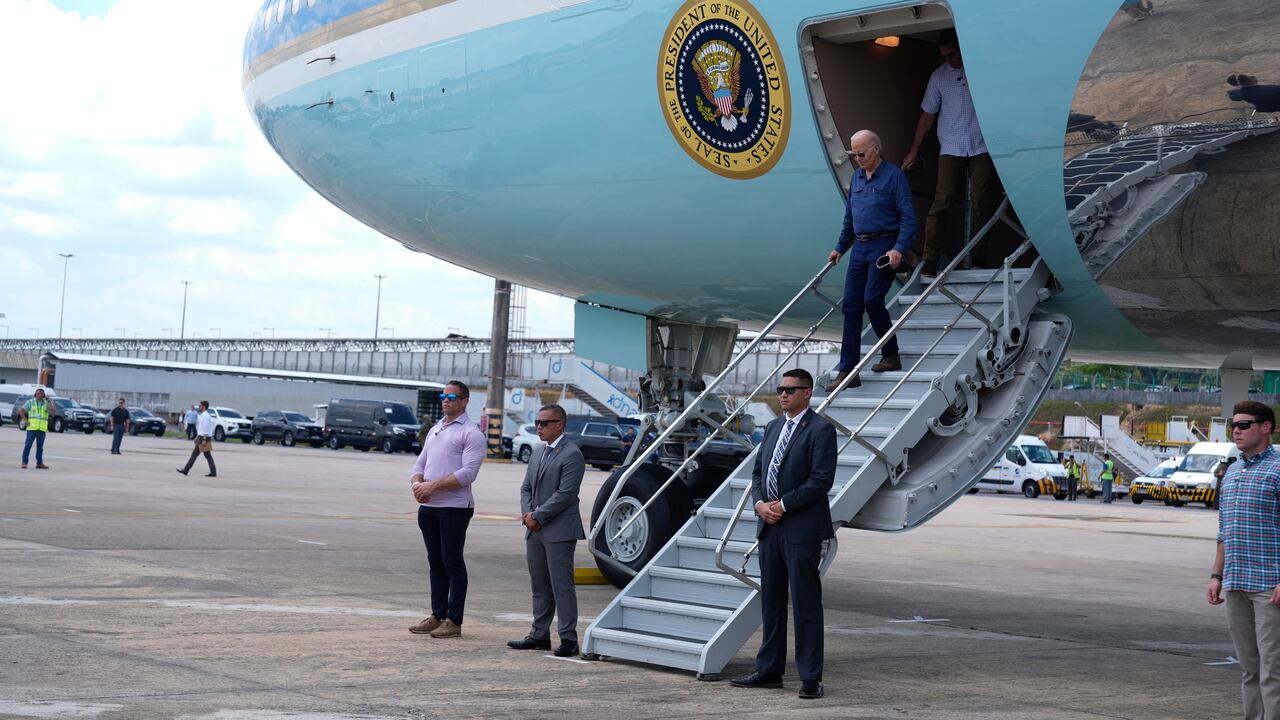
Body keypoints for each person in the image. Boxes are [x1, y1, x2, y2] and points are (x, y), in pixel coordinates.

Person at [731, 368, 837, 700]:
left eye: (791, 389)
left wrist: (783, 505)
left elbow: (821, 481)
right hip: (770, 527)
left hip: (801, 529)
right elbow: (760, 471)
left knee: (806, 604)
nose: (783, 394)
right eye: (781, 389)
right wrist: (761, 503)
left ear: (807, 393)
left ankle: (810, 677)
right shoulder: (774, 427)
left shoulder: (821, 430)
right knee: (772, 604)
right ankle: (769, 670)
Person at [902, 28, 1003, 278]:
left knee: (981, 202)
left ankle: (979, 260)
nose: (948, 61)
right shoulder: (938, 77)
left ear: (962, 49)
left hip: (982, 145)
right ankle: (930, 261)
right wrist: (913, 150)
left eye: (951, 56)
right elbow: (928, 115)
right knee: (942, 201)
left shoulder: (982, 71)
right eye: (943, 57)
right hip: (951, 146)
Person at [825, 129, 917, 393]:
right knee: (851, 307)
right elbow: (850, 217)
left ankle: (891, 354)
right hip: (860, 247)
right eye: (853, 154)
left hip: (884, 245)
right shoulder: (856, 178)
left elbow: (909, 218)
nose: (857, 159)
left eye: (861, 153)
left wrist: (899, 248)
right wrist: (840, 247)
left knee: (872, 300)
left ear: (876, 150)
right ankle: (848, 370)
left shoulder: (894, 177)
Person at [1207, 400, 1280, 720]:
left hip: (1269, 586)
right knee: (1249, 668)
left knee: (1272, 669)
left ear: (1266, 428)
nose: (1235, 430)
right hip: (1235, 583)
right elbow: (1225, 529)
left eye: (1243, 425)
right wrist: (1216, 575)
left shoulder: (1278, 470)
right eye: (1232, 426)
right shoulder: (1233, 470)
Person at [407, 380, 486, 639]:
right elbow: (420, 463)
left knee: (452, 562)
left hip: (454, 507)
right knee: (435, 561)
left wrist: (433, 487)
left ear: (464, 401)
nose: (445, 399)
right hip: (430, 507)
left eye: (451, 396)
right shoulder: (436, 429)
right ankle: (437, 614)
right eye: (443, 395)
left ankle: (454, 620)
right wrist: (418, 484)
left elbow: (468, 474)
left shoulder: (471, 433)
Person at [508, 403, 587, 657]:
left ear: (559, 425)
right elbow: (525, 488)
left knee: (561, 585)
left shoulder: (572, 454)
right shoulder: (539, 452)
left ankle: (568, 638)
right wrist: (528, 515)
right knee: (539, 584)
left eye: (544, 423)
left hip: (559, 530)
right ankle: (539, 634)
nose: (538, 427)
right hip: (535, 529)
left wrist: (538, 515)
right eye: (537, 422)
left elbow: (566, 494)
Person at [176, 401, 217, 477]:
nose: (199, 407)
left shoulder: (206, 416)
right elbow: (201, 428)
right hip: (201, 437)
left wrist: (204, 439)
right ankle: (213, 472)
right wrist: (197, 436)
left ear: (204, 406)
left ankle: (186, 470)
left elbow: (206, 428)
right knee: (207, 456)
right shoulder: (203, 415)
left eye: (200, 405)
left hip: (204, 438)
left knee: (195, 455)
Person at [19, 387, 54, 469]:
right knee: (28, 446)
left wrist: (49, 401)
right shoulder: (31, 402)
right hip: (31, 429)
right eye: (38, 393)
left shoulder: (46, 403)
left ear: (44, 395)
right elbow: (21, 410)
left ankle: (39, 463)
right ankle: (24, 463)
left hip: (41, 429)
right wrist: (25, 420)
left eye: (41, 394)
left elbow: (52, 411)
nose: (40, 395)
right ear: (35, 394)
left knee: (40, 447)